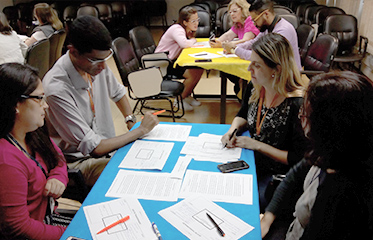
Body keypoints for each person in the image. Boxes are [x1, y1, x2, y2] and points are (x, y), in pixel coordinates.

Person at [43, 15, 159, 187]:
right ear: (73, 51)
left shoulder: (95, 64)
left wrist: (130, 120)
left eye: (106, 58)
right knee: (134, 179)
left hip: (105, 147)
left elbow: (118, 93)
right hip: (77, 161)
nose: (104, 67)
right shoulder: (56, 88)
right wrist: (140, 130)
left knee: (153, 161)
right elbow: (94, 148)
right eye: (96, 60)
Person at [261, 71, 373, 240]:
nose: (302, 120)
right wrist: (268, 217)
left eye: (305, 114)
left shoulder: (341, 196)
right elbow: (295, 175)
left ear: (327, 126)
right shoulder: (331, 152)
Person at [221, 33, 308, 212]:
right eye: (251, 62)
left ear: (276, 69)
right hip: (251, 162)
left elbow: (298, 158)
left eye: (257, 65)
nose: (249, 69)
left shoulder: (297, 104)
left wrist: (256, 145)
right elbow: (243, 113)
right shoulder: (255, 86)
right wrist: (232, 129)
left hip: (277, 177)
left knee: (239, 206)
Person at [0, 63, 69, 240]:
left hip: (48, 218)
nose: (45, 105)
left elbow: (57, 157)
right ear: (16, 104)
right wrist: (70, 234)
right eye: (39, 98)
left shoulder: (31, 130)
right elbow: (19, 227)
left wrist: (57, 176)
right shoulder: (6, 161)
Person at [155, 6, 204, 111]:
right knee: (192, 73)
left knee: (200, 68)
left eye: (197, 20)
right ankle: (179, 100)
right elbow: (184, 44)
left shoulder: (186, 30)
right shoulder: (177, 29)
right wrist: (193, 41)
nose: (196, 23)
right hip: (162, 63)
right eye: (193, 21)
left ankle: (186, 95)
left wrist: (192, 40)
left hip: (172, 60)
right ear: (185, 22)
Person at [209, 0, 260, 98]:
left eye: (235, 11)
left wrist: (227, 44)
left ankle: (244, 90)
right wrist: (216, 41)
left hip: (252, 58)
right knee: (225, 69)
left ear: (243, 10)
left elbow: (246, 41)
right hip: (242, 55)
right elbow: (228, 35)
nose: (232, 14)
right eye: (230, 12)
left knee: (229, 71)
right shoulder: (238, 23)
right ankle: (242, 89)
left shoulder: (250, 21)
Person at [234, 0, 302, 70]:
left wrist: (236, 50)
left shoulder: (283, 30)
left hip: (287, 75)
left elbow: (262, 57)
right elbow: (253, 43)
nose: (254, 24)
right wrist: (235, 47)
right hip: (275, 71)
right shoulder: (267, 27)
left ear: (266, 14)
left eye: (255, 20)